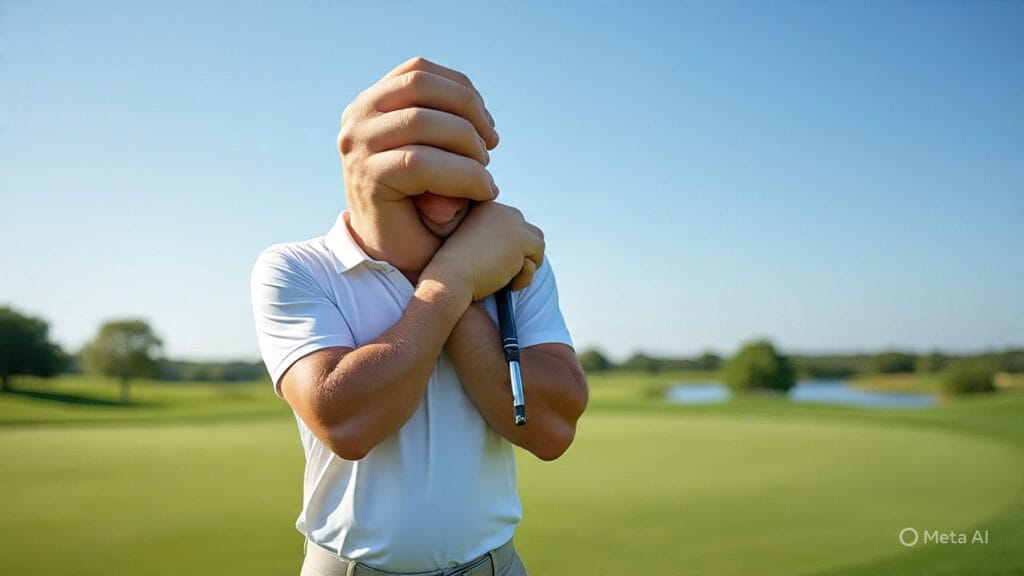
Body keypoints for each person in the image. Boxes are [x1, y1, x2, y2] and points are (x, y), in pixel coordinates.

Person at [250, 57, 588, 576]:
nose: (440, 205)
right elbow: (347, 421)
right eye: (416, 176)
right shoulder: (296, 266)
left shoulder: (511, 255)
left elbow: (551, 429)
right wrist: (452, 279)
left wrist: (459, 275)